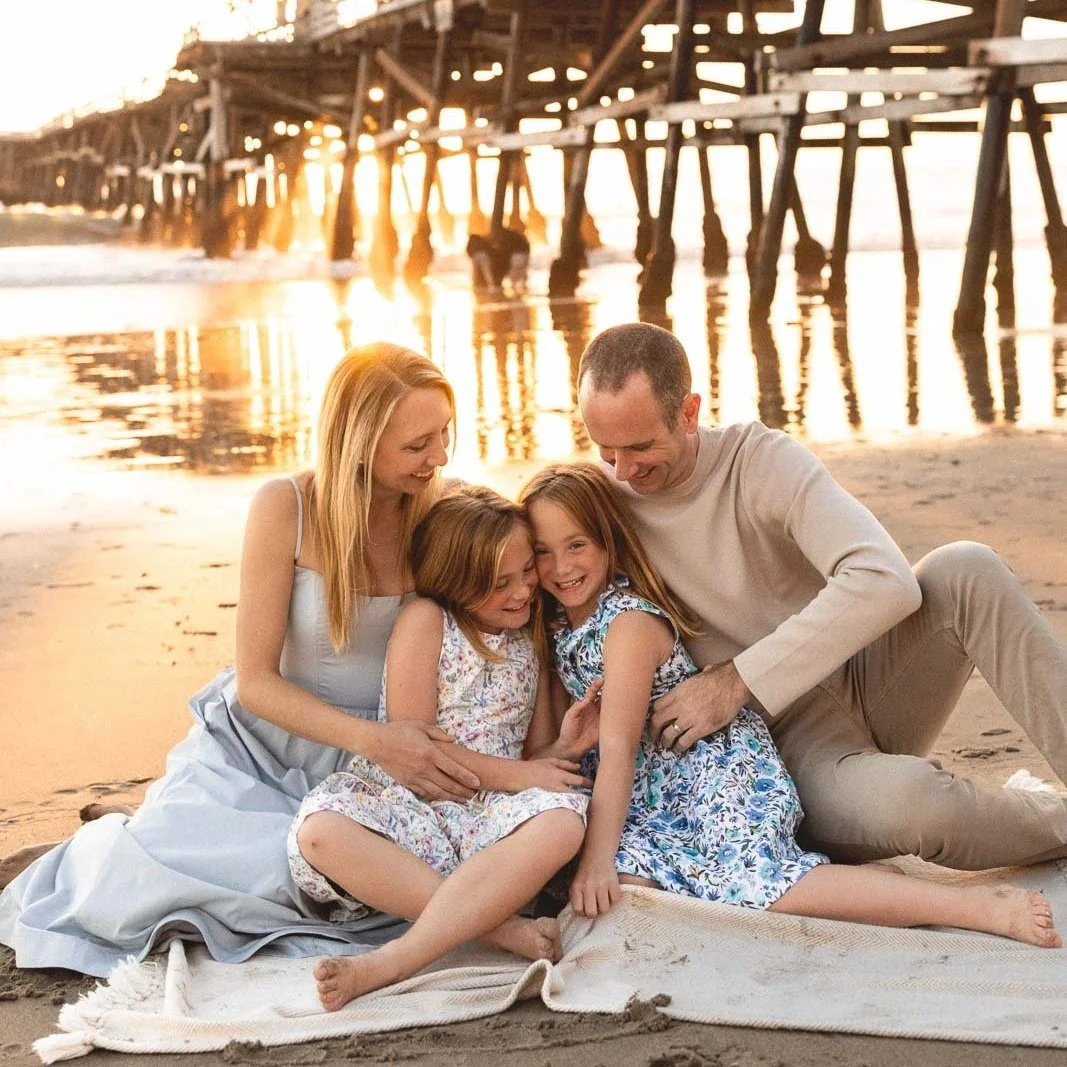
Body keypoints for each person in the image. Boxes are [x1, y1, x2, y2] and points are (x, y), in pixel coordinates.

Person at [0, 343, 483, 978]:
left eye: (444, 433)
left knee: (387, 887)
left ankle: (141, 819)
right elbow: (255, 682)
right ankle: (122, 832)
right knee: (229, 880)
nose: (440, 457)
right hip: (274, 750)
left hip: (400, 758)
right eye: (418, 444)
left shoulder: (449, 511)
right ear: (360, 441)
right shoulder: (288, 506)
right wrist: (377, 740)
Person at [575, 321, 1067, 872]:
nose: (622, 470)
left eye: (640, 446)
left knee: (967, 568)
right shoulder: (597, 505)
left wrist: (736, 680)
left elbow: (885, 578)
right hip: (785, 752)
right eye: (605, 450)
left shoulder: (758, 461)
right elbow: (506, 578)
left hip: (870, 679)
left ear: (689, 413)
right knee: (921, 806)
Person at [519, 462, 1060, 948]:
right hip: (672, 788)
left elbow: (619, 751)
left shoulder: (629, 622)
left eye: (576, 546)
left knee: (751, 885)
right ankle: (864, 888)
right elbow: (557, 751)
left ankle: (972, 906)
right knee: (644, 882)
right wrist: (565, 748)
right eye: (542, 552)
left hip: (712, 771)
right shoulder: (556, 626)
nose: (561, 566)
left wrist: (595, 861)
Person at [289, 487, 596, 1011]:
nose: (523, 590)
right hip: (412, 799)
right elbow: (417, 750)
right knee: (319, 834)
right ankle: (496, 930)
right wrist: (523, 777)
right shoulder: (428, 620)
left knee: (565, 823)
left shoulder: (532, 634)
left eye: (526, 571)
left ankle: (390, 962)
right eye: (500, 584)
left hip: (488, 815)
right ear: (458, 583)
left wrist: (561, 746)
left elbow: (531, 757)